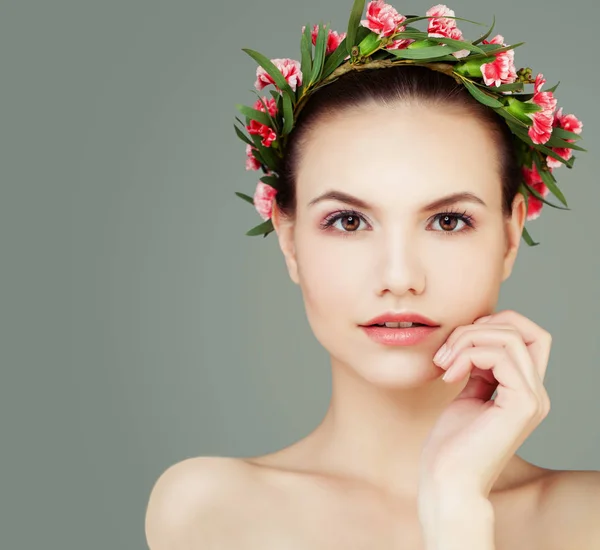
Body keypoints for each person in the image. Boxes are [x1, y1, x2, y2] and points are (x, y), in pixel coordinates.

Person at [145, 3, 599, 549]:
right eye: (349, 221)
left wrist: (455, 505)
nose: (400, 277)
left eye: (448, 220)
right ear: (289, 240)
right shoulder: (214, 510)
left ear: (508, 235)